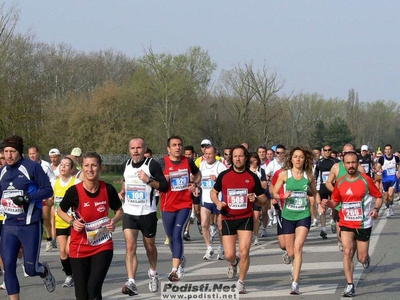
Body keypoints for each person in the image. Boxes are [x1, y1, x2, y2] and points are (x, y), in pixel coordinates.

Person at [58, 151, 123, 300]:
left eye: (94, 165)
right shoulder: (74, 191)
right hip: (79, 246)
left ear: (100, 167)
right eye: (86, 165)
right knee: (81, 295)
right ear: (82, 167)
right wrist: (72, 222)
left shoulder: (108, 189)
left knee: (93, 288)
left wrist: (114, 220)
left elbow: (119, 211)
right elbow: (60, 210)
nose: (90, 169)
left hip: (102, 244)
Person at [0, 135, 56, 299]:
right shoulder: (2, 171)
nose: (9, 155)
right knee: (8, 266)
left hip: (29, 224)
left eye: (12, 151)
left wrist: (27, 198)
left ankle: (43, 270)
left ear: (20, 152)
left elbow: (48, 190)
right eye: (6, 151)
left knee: (30, 269)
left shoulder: (31, 167)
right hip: (9, 225)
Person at [321, 151, 382, 297]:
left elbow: (379, 197)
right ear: (343, 164)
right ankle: (350, 285)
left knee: (361, 258)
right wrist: (329, 203)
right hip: (346, 222)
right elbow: (335, 201)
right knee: (347, 251)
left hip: (363, 223)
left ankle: (365, 258)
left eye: (353, 162)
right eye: (348, 163)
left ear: (358, 163)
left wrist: (375, 208)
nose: (351, 166)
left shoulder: (366, 180)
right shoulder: (340, 181)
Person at [210, 145, 268, 294]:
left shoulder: (252, 176)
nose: (237, 158)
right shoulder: (224, 175)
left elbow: (263, 200)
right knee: (229, 254)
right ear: (231, 158)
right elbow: (213, 192)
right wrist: (217, 202)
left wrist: (255, 199)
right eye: (235, 156)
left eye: (241, 156)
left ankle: (241, 281)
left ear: (246, 158)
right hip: (228, 217)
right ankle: (233, 262)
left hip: (245, 218)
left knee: (244, 252)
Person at [118, 138, 168, 295]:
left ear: (144, 148)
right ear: (129, 150)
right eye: (132, 148)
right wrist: (122, 191)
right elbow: (126, 182)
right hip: (130, 212)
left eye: (139, 147)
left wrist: (149, 180)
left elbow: (165, 187)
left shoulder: (151, 165)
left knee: (150, 247)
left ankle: (153, 272)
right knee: (130, 246)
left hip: (147, 213)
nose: (136, 151)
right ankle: (131, 281)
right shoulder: (126, 165)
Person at [272, 146, 321, 295]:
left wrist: (320, 206)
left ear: (304, 159)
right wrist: (281, 196)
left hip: (303, 215)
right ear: (291, 159)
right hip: (288, 216)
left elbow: (315, 192)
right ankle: (290, 257)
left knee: (298, 247)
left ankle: (295, 283)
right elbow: (274, 192)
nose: (298, 159)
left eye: (301, 157)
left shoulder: (309, 176)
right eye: (295, 157)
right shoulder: (284, 175)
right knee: (291, 251)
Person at [159, 136, 201, 282]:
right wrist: (162, 181)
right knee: (171, 237)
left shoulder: (188, 161)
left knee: (177, 235)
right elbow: (154, 181)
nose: (178, 147)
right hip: (167, 206)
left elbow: (198, 174)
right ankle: (180, 258)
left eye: (179, 145)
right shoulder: (162, 163)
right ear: (168, 149)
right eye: (174, 145)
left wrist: (194, 184)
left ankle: (174, 270)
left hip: (184, 205)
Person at [326, 143, 365, 251]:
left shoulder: (360, 168)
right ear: (342, 154)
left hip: (356, 208)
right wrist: (337, 192)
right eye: (345, 153)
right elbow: (328, 182)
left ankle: (357, 249)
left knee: (352, 241)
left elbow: (365, 185)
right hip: (340, 206)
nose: (348, 154)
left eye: (351, 152)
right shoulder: (336, 167)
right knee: (341, 237)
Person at [52, 156, 80, 288]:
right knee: (63, 251)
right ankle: (69, 276)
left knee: (69, 249)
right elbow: (51, 202)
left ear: (72, 168)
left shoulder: (76, 182)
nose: (63, 167)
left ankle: (77, 273)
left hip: (73, 221)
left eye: (66, 165)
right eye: (61, 165)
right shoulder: (54, 183)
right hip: (59, 222)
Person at [199, 145, 227, 260]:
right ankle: (209, 247)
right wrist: (196, 186)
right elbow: (198, 179)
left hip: (218, 200)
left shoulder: (220, 166)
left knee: (220, 227)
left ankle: (221, 247)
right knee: (204, 224)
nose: (208, 156)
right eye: (206, 154)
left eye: (210, 154)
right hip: (206, 199)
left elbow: (226, 182)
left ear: (215, 154)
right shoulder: (202, 165)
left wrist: (217, 180)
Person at [28, 146, 57, 252]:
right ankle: (34, 240)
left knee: (45, 218)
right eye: (30, 154)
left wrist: (50, 193)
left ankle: (49, 239)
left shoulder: (45, 165)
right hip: (32, 196)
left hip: (44, 194)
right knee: (34, 218)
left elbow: (53, 179)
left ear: (38, 153)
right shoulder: (27, 165)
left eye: (34, 153)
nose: (32, 156)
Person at [314, 144, 338, 238]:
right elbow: (315, 175)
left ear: (331, 151)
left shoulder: (335, 161)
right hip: (322, 187)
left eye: (329, 150)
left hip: (333, 187)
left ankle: (333, 221)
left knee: (334, 206)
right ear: (322, 151)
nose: (327, 152)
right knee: (322, 207)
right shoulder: (319, 162)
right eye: (325, 150)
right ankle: (323, 228)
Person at [374, 144, 400, 218]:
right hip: (385, 179)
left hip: (393, 178)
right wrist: (379, 170)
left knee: (391, 193)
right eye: (386, 149)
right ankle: (388, 207)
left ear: (391, 150)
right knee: (385, 196)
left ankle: (390, 209)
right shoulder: (382, 158)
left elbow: (399, 165)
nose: (387, 151)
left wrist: (399, 172)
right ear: (384, 150)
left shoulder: (396, 158)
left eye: (389, 149)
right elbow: (377, 166)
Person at [183, 145, 202, 241]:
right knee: (188, 210)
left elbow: (200, 176)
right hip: (186, 190)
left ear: (193, 155)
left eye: (189, 154)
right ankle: (186, 231)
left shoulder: (197, 163)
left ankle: (199, 222)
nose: (187, 156)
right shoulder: (183, 163)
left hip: (196, 188)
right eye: (186, 154)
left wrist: (196, 185)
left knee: (197, 210)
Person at [248, 152, 268, 245]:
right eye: (251, 160)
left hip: (257, 197)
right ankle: (248, 234)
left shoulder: (261, 171)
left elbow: (264, 185)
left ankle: (255, 236)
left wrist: (256, 180)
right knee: (248, 217)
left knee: (256, 217)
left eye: (255, 160)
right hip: (247, 196)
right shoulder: (246, 170)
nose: (253, 162)